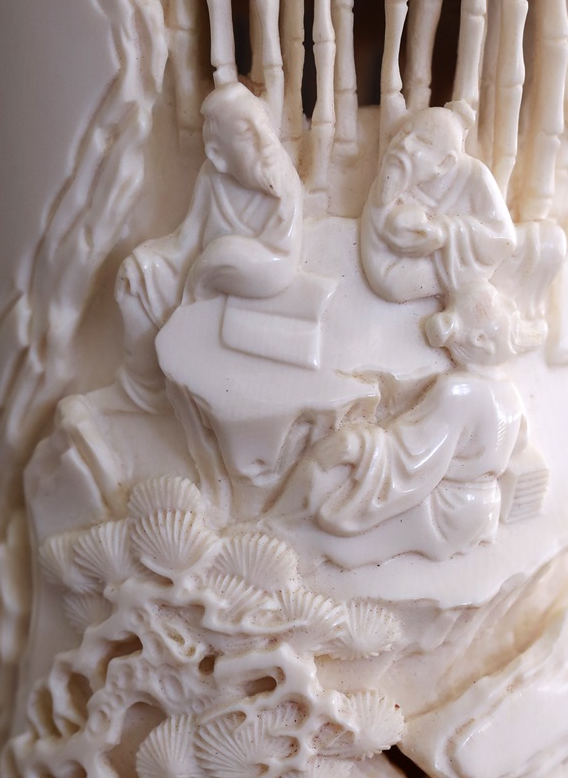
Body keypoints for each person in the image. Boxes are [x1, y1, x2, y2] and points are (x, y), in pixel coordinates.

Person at [297, 283, 529, 563]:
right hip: (484, 509)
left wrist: (360, 446)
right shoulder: (510, 392)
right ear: (481, 340)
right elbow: (518, 444)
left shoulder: (459, 390)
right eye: (502, 305)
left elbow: (412, 458)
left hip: (447, 511)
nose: (512, 307)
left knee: (319, 537)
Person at [117, 83, 303, 392]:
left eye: (265, 127)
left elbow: (282, 254)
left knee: (219, 260)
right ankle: (144, 384)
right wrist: (148, 262)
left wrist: (223, 259)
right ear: (219, 155)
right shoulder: (211, 177)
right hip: (201, 270)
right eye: (247, 135)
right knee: (137, 276)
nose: (266, 142)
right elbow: (187, 240)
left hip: (256, 273)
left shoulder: (281, 181)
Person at [360, 106, 517, 310]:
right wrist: (400, 235)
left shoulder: (474, 176)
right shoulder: (392, 176)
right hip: (398, 274)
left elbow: (504, 240)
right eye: (405, 132)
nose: (404, 144)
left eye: (422, 142)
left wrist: (444, 233)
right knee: (393, 284)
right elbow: (380, 266)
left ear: (444, 163)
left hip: (455, 268)